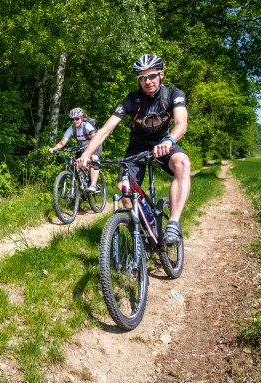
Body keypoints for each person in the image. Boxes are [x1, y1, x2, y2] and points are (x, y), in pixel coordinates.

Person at [77, 54, 190, 244]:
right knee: (124, 188)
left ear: (161, 74)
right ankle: (146, 229)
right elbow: (104, 130)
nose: (147, 81)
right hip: (137, 146)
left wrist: (169, 141)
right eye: (142, 77)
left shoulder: (173, 94)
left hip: (165, 142)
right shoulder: (132, 100)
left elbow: (182, 123)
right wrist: (87, 154)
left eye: (152, 76)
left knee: (182, 163)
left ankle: (173, 223)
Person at [49, 107, 103, 193]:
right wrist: (54, 148)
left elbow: (96, 139)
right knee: (76, 164)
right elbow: (62, 143)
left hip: (94, 145)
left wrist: (88, 153)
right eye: (73, 119)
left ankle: (93, 185)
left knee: (94, 158)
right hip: (82, 147)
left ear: (81, 118)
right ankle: (84, 185)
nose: (75, 121)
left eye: (77, 118)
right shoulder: (72, 128)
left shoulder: (87, 126)